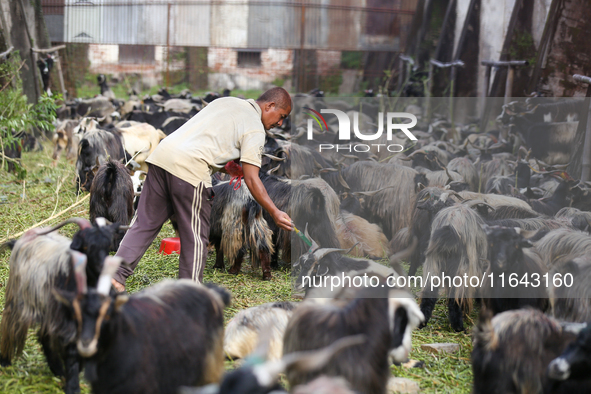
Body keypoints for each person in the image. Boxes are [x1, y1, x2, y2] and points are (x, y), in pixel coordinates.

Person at [111, 87, 294, 292]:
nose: (280, 123)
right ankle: (189, 296)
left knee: (143, 224)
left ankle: (115, 277)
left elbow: (204, 137)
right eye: (282, 116)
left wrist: (226, 166)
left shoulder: (226, 102)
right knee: (196, 238)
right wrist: (275, 211)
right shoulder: (255, 129)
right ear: (269, 106)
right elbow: (252, 179)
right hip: (190, 170)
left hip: (162, 157)